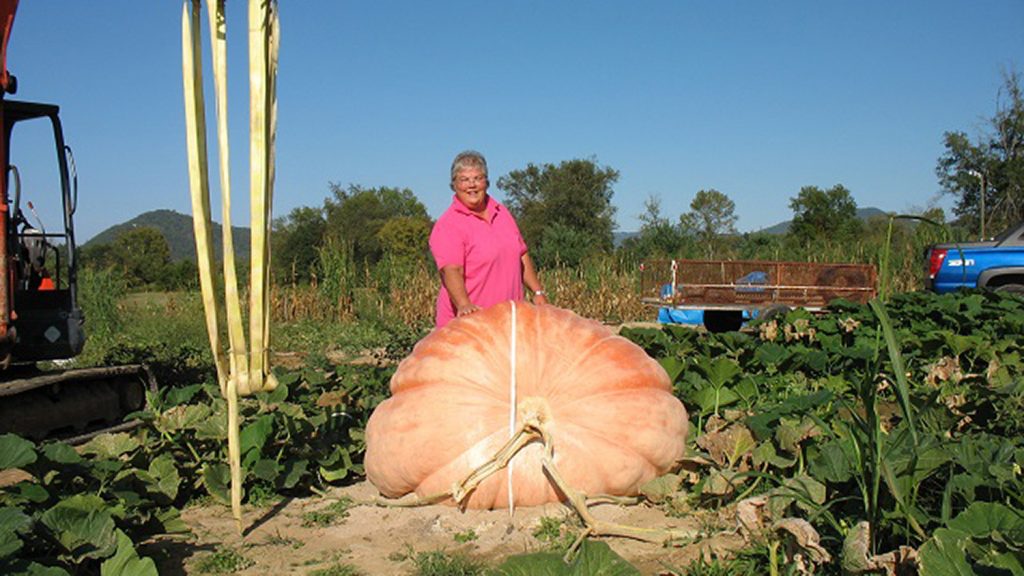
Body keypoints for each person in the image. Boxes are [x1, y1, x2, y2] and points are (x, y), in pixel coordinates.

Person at [429, 150, 547, 328]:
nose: (472, 185)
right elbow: (451, 271)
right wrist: (464, 305)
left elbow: (521, 254)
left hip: (510, 322)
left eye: (478, 178)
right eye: (464, 180)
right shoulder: (449, 224)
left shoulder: (502, 213)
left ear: (487, 182)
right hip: (470, 326)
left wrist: (538, 291)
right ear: (454, 185)